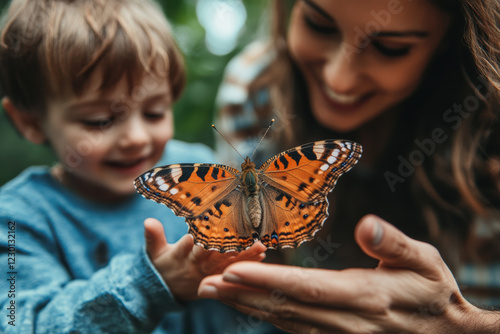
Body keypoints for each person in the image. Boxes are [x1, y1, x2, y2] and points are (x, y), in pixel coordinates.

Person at [199, 0, 500, 332]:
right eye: (318, 25)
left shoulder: (490, 130)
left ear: (449, 39)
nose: (338, 80)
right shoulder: (256, 88)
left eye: (390, 48)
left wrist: (463, 324)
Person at [0, 0, 273, 333]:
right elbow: (21, 324)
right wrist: (153, 284)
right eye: (99, 120)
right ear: (29, 121)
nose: (135, 137)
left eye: (155, 112)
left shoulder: (200, 167)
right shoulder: (15, 220)